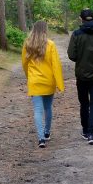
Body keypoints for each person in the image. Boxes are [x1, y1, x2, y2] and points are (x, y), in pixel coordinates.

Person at [67, 8, 93, 145]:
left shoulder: (77, 34)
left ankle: (86, 131)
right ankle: (92, 134)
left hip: (82, 76)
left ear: (81, 19)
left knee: (84, 103)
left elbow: (71, 55)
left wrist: (81, 61)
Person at [22, 20, 64, 148]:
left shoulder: (28, 44)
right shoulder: (50, 44)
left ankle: (41, 139)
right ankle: (46, 132)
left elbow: (24, 64)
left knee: (38, 111)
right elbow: (56, 65)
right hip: (48, 81)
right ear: (45, 30)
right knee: (48, 108)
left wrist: (29, 77)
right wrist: (59, 84)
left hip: (34, 82)